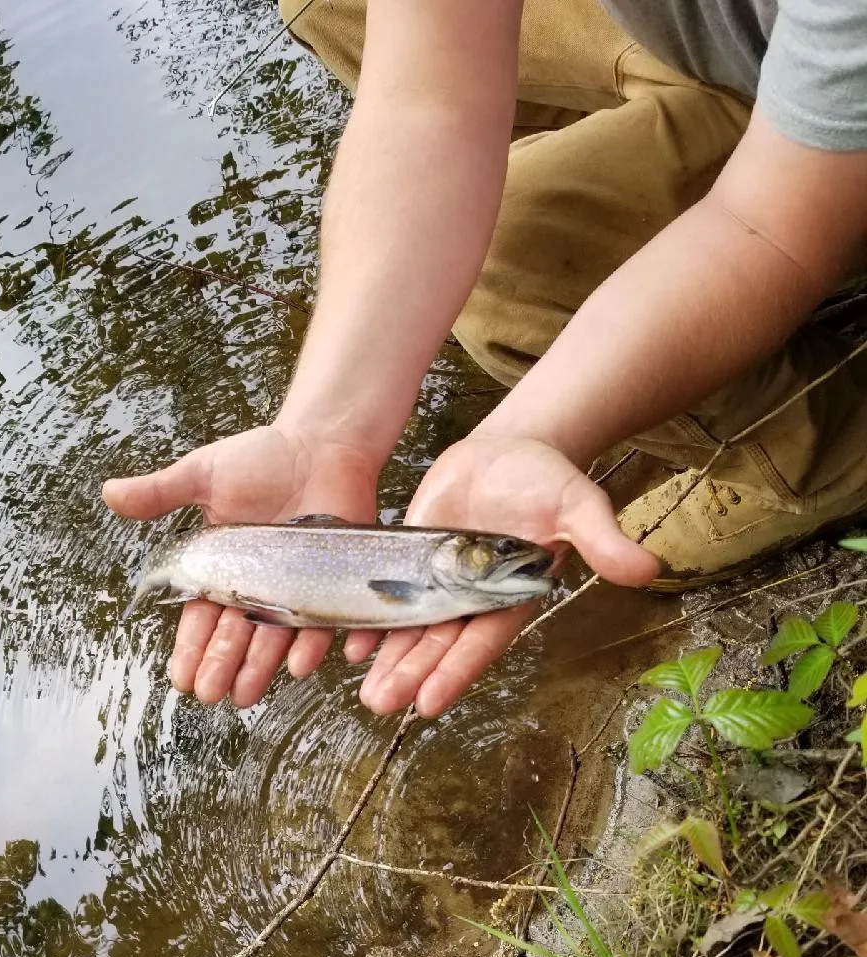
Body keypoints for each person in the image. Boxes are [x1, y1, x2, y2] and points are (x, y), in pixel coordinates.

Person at [103, 0, 867, 719]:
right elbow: (424, 102)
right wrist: (329, 425)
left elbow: (768, 224)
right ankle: (637, 139)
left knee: (515, 264)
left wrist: (533, 427)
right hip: (733, 41)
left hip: (819, 130)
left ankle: (817, 455)